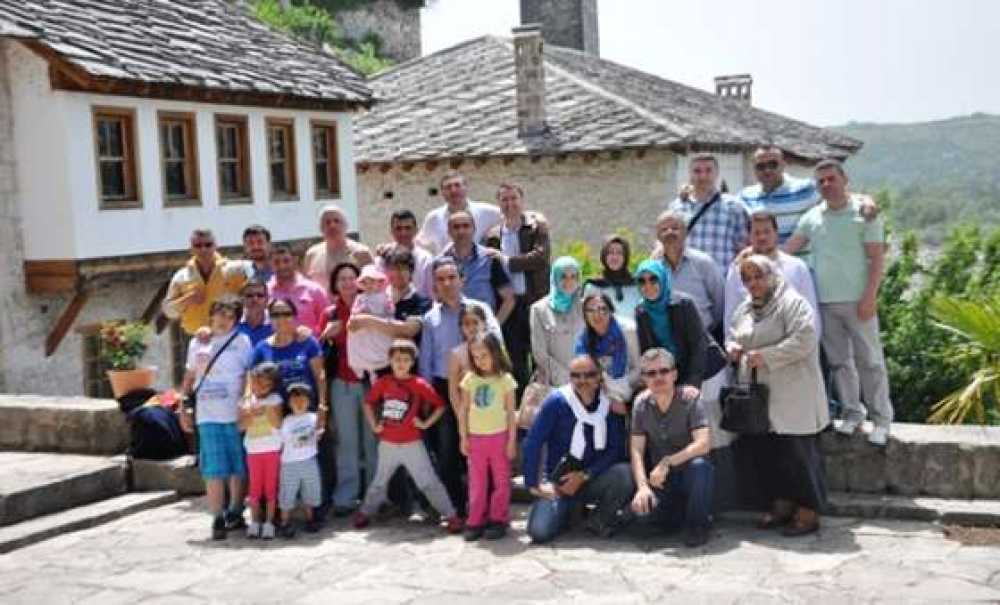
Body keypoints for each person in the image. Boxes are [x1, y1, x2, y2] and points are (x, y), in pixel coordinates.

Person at [785, 160, 893, 446]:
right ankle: (853, 413)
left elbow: (877, 258)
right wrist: (752, 255)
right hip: (824, 302)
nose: (826, 185)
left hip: (859, 301)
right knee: (839, 362)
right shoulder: (812, 217)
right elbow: (787, 250)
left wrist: (870, 296)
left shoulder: (865, 214)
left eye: (831, 179)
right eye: (820, 181)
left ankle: (881, 420)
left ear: (845, 179)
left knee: (870, 361)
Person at [727, 255, 829, 536]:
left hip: (795, 393)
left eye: (758, 276)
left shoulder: (793, 303)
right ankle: (782, 504)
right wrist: (733, 347)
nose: (753, 283)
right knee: (772, 453)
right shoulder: (746, 308)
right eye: (746, 278)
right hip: (762, 396)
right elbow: (735, 333)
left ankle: (809, 511)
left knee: (799, 453)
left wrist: (768, 356)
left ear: (771, 275)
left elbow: (805, 340)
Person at [419, 257, 503, 515]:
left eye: (451, 277)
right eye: (441, 279)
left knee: (482, 450)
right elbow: (426, 358)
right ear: (434, 284)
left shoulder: (480, 309)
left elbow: (496, 342)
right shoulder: (430, 318)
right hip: (445, 389)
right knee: (448, 452)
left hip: (481, 387)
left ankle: (489, 508)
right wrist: (427, 395)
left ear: (462, 279)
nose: (447, 283)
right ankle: (457, 507)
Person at [352, 340, 463, 533]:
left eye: (405, 359)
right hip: (388, 444)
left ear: (412, 362)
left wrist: (426, 424)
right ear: (390, 361)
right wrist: (374, 425)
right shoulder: (383, 383)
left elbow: (440, 405)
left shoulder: (419, 384)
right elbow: (368, 403)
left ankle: (451, 514)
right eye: (397, 360)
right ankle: (365, 512)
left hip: (413, 444)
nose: (401, 364)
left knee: (428, 481)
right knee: (379, 482)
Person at [522, 355, 634, 544]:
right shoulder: (556, 401)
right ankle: (568, 512)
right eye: (576, 375)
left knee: (625, 473)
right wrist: (534, 484)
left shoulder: (610, 405)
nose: (582, 381)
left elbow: (615, 450)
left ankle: (598, 520)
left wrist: (584, 475)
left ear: (599, 376)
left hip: (593, 478)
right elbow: (533, 441)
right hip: (559, 482)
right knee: (539, 531)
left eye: (589, 375)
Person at [178, 299, 254, 540]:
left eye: (229, 316)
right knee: (213, 468)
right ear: (210, 315)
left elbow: (247, 374)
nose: (223, 320)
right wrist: (183, 405)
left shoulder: (241, 341)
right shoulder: (198, 342)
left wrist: (245, 400)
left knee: (237, 466)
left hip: (233, 411)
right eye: (219, 314)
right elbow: (190, 376)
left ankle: (235, 511)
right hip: (207, 412)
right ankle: (217, 517)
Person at [250, 298, 330, 517]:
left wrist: (323, 404)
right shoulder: (261, 348)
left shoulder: (307, 342)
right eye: (275, 314)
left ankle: (315, 507)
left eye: (286, 313)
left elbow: (320, 375)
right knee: (282, 462)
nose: (281, 319)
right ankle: (281, 509)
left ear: (294, 316)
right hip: (277, 414)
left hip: (306, 410)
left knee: (311, 459)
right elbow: (252, 379)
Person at [629, 348, 713, 547]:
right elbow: (636, 450)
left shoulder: (691, 398)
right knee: (640, 520)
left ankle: (698, 526)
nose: (658, 377)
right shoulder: (640, 404)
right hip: (661, 482)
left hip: (689, 475)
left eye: (663, 371)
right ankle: (674, 518)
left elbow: (703, 444)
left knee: (700, 466)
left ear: (674, 374)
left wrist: (667, 462)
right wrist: (642, 487)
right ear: (644, 379)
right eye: (651, 373)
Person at [319, 262, 378, 514]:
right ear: (335, 284)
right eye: (341, 278)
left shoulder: (371, 306)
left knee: (372, 440)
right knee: (346, 442)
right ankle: (346, 496)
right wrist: (325, 334)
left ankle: (375, 496)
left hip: (368, 382)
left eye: (351, 278)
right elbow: (319, 350)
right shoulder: (330, 313)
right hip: (341, 383)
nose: (346, 283)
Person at [483, 183, 551, 398]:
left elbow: (540, 258)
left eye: (514, 198)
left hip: (534, 301)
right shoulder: (493, 235)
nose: (510, 203)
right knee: (514, 359)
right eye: (504, 199)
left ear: (522, 201)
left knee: (540, 355)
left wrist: (506, 260)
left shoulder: (536, 227)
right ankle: (520, 404)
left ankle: (542, 401)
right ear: (499, 204)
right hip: (509, 305)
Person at [739, 145, 878, 245]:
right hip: (762, 273)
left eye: (772, 164)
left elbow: (839, 195)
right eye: (760, 166)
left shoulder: (805, 189)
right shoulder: (745, 196)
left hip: (801, 269)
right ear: (754, 170)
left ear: (783, 164)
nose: (767, 170)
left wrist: (867, 201)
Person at [458, 332, 518, 541]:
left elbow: (511, 413)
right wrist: (463, 437)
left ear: (495, 353)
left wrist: (511, 440)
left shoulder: (506, 380)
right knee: (477, 482)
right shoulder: (469, 380)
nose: (480, 360)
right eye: (475, 356)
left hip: (499, 438)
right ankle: (475, 519)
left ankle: (498, 518)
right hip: (476, 439)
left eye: (484, 355)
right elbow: (464, 410)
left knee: (501, 481)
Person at [723, 211, 820, 338]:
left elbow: (811, 311)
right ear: (749, 237)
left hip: (792, 346)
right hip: (753, 346)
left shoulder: (797, 267)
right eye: (757, 233)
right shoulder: (737, 270)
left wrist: (811, 344)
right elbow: (731, 313)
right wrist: (732, 345)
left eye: (767, 232)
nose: (762, 237)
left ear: (776, 233)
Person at [633, 259, 707, 401]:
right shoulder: (641, 311)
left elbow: (699, 345)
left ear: (662, 279)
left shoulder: (684, 304)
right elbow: (647, 350)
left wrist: (693, 383)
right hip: (665, 376)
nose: (648, 285)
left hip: (699, 373)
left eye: (653, 279)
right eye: (642, 281)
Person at [669, 153, 749, 271]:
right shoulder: (676, 207)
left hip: (722, 280)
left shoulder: (734, 207)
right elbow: (668, 243)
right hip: (686, 280)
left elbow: (743, 247)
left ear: (717, 173)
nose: (703, 176)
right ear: (689, 174)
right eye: (697, 171)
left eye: (708, 170)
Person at [654, 209, 725, 336]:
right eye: (664, 230)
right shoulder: (654, 267)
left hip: (704, 337)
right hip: (669, 341)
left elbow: (720, 301)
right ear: (658, 236)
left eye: (675, 228)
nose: (669, 232)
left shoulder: (703, 262)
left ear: (685, 232)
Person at [163, 229, 247, 335]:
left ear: (216, 246)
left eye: (208, 245)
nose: (203, 249)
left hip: (228, 336)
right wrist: (187, 300)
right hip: (195, 337)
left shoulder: (235, 270)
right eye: (198, 246)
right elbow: (168, 312)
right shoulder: (181, 276)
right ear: (191, 249)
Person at [438, 211, 515, 322]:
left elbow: (509, 299)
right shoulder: (440, 263)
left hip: (482, 328)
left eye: (466, 226)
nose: (461, 231)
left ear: (474, 229)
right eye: (456, 227)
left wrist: (494, 326)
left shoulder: (490, 259)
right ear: (449, 232)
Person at [238, 362, 284, 540]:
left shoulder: (276, 400)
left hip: (272, 450)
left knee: (271, 488)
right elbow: (241, 426)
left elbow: (278, 423)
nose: (262, 388)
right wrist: (249, 413)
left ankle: (269, 522)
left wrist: (266, 410)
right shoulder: (245, 402)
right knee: (255, 489)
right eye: (259, 383)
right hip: (253, 451)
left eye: (267, 385)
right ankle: (255, 521)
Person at [575, 293, 641, 413]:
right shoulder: (582, 339)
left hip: (630, 389)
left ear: (611, 311)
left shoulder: (628, 331)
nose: (597, 314)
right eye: (590, 310)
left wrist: (616, 392)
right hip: (599, 393)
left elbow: (638, 368)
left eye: (602, 309)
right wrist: (607, 397)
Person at [529, 257, 586, 388]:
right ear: (555, 278)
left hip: (584, 381)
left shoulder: (584, 307)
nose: (569, 281)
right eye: (563, 276)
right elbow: (539, 352)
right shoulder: (539, 309)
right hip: (553, 383)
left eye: (573, 277)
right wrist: (566, 380)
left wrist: (583, 377)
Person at [277, 382, 325, 538]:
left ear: (309, 401)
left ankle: (311, 519)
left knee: (310, 492)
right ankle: (285, 522)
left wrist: (322, 415)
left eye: (302, 400)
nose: (298, 403)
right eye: (294, 400)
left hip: (309, 461)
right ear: (289, 403)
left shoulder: (313, 417)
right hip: (289, 463)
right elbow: (281, 441)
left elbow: (319, 432)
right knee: (287, 493)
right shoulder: (286, 421)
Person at [416, 170, 503, 255]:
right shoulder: (434, 217)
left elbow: (510, 222)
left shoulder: (486, 211)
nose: (453, 190)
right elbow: (419, 244)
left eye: (457, 185)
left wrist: (495, 233)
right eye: (448, 187)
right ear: (442, 192)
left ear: (466, 188)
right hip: (446, 266)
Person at [303, 204, 374, 295]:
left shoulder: (362, 253)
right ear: (321, 228)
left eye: (337, 221)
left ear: (346, 225)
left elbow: (374, 288)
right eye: (327, 222)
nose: (332, 225)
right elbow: (306, 288)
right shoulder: (311, 254)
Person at [267, 244, 329, 337]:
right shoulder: (265, 292)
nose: (282, 266)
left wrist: (312, 335)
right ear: (271, 264)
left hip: (310, 349)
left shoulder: (314, 290)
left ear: (295, 260)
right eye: (276, 262)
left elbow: (328, 321)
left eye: (286, 261)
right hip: (276, 349)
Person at [375, 209, 435, 300]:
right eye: (398, 228)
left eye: (408, 228)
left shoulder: (426, 259)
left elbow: (432, 294)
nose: (403, 233)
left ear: (416, 230)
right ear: (392, 231)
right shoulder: (382, 259)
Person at [347, 265, 394, 377]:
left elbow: (390, 310)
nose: (369, 286)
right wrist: (361, 311)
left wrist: (384, 314)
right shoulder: (360, 298)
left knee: (382, 350)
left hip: (380, 328)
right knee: (358, 342)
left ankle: (376, 368)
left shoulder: (385, 296)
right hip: (364, 329)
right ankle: (365, 368)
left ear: (379, 282)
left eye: (372, 282)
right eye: (365, 283)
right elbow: (354, 311)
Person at [584, 235, 642, 323]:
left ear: (625, 256)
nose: (615, 257)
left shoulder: (637, 285)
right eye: (610, 252)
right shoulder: (593, 286)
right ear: (604, 256)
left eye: (619, 253)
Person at [447, 304, 490, 413]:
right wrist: (461, 417)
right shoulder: (457, 354)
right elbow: (453, 392)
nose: (471, 328)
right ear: (461, 328)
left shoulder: (495, 349)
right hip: (470, 412)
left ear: (484, 323)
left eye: (475, 322)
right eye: (466, 324)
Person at [237, 280, 273, 346]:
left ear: (267, 299)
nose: (255, 299)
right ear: (241, 299)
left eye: (260, 295)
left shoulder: (275, 323)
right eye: (249, 295)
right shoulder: (233, 322)